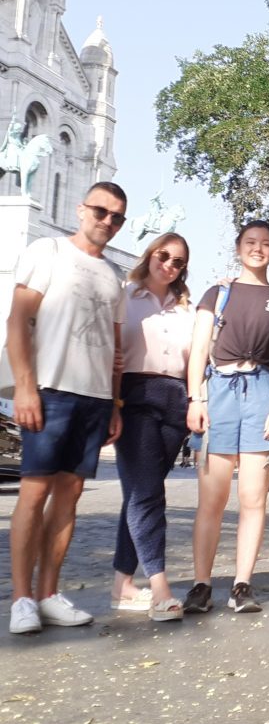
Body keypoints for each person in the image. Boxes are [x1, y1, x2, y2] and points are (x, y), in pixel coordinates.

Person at [6, 182, 128, 634]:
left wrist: (115, 403)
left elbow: (116, 348)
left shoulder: (114, 276)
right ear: (82, 209)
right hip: (50, 388)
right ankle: (22, 598)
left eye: (117, 217)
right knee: (34, 493)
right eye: (101, 211)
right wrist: (24, 387)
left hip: (94, 398)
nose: (108, 222)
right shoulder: (49, 251)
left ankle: (49, 592)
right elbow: (18, 319)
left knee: (69, 496)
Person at [183, 220, 269, 615]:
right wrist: (195, 397)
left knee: (252, 498)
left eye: (266, 243)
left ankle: (242, 583)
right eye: (251, 242)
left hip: (261, 395)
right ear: (238, 247)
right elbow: (198, 351)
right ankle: (201, 583)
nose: (258, 249)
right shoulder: (216, 294)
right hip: (219, 393)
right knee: (211, 500)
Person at [110, 233, 196, 621]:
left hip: (175, 398)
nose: (170, 265)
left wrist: (195, 401)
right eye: (164, 256)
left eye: (179, 262)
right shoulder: (124, 296)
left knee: (137, 496)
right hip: (135, 394)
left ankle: (121, 585)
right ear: (150, 254)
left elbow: (196, 359)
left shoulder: (186, 311)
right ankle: (159, 587)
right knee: (148, 494)